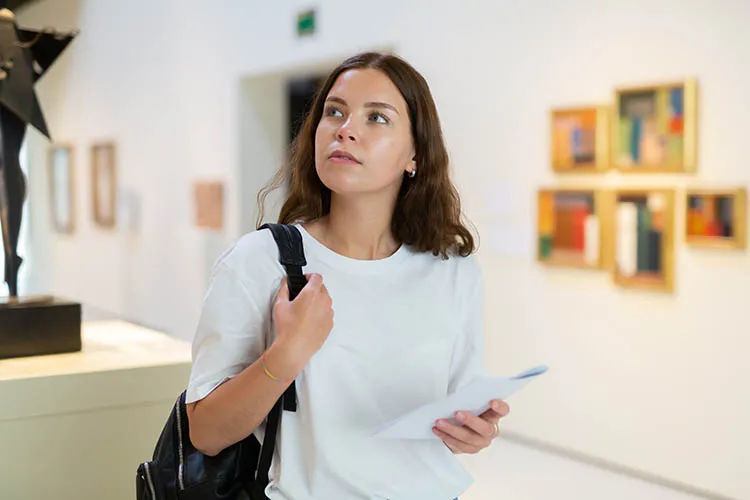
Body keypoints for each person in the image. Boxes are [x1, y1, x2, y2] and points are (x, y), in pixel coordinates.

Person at [185, 51, 510, 500]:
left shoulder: (452, 269)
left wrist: (472, 432)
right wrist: (286, 355)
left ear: (415, 154)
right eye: (334, 112)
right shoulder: (260, 261)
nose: (346, 128)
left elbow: (454, 409)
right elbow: (204, 432)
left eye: (377, 117)